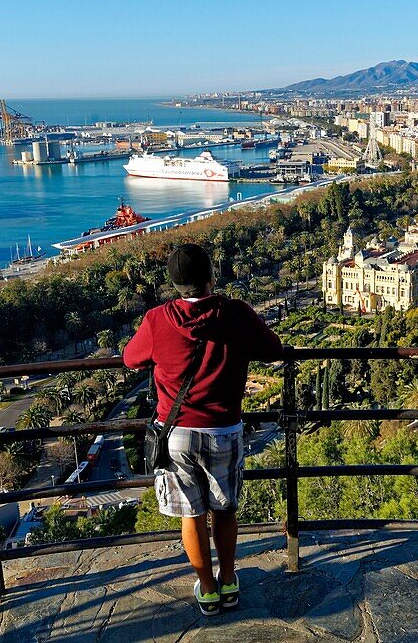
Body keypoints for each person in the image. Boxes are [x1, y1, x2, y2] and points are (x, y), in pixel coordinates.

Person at [123, 243, 283, 616]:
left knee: (190, 516)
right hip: (224, 428)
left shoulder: (157, 320)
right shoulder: (236, 313)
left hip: (176, 431)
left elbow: (131, 359)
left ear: (174, 284)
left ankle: (207, 589)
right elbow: (273, 350)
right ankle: (229, 581)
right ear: (212, 277)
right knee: (225, 511)